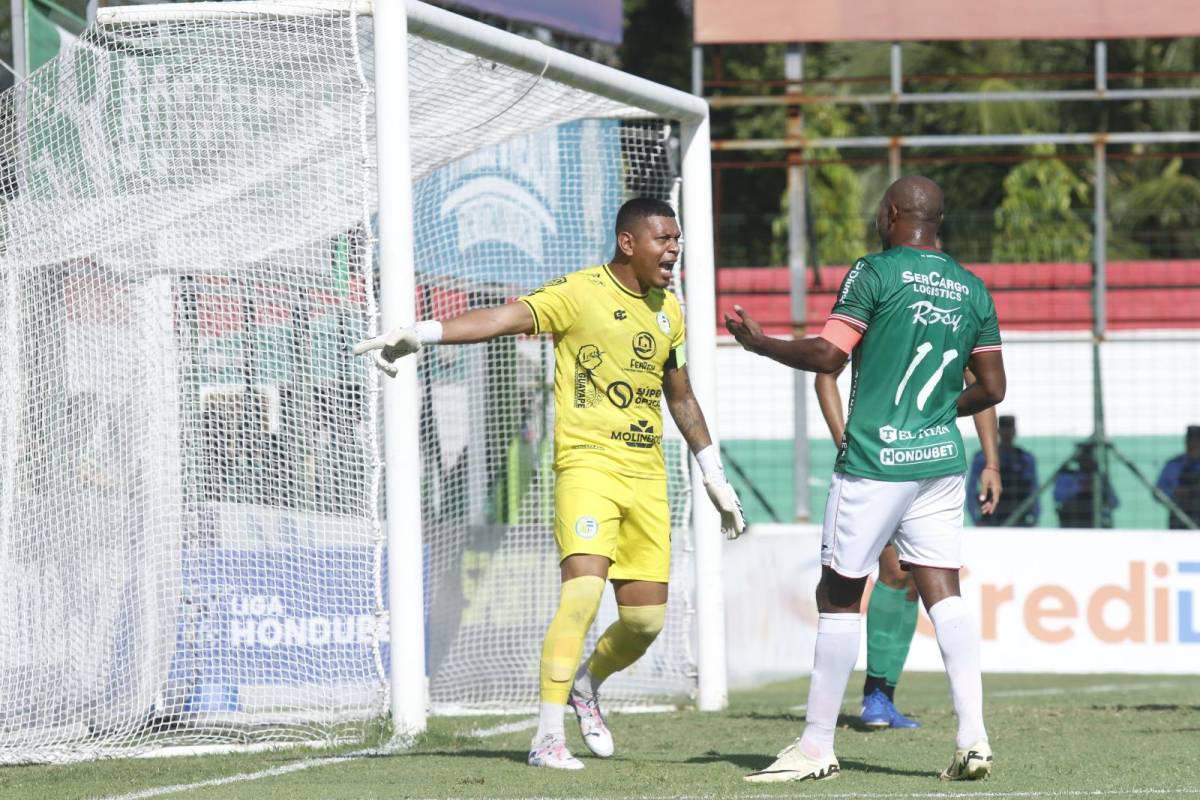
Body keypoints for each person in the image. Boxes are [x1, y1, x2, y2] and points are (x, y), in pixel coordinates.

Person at [354, 197, 745, 770]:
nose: (673, 249)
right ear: (628, 242)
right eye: (662, 238)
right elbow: (504, 318)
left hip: (647, 476)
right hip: (587, 466)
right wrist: (423, 332)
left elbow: (680, 395)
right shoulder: (580, 292)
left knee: (644, 622)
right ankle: (546, 737)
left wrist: (712, 472)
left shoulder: (670, 311)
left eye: (676, 240)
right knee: (583, 593)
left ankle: (589, 684)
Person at [726, 175, 1005, 783]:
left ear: (892, 212)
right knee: (943, 590)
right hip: (939, 463)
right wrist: (935, 415)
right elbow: (992, 389)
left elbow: (829, 358)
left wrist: (762, 344)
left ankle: (816, 747)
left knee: (839, 594)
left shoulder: (874, 272)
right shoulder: (972, 288)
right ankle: (974, 739)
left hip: (877, 462)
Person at [815, 365, 1000, 730]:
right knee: (882, 573)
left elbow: (983, 385)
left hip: (930, 466)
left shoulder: (949, 315)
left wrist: (991, 461)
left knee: (910, 576)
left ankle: (881, 696)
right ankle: (849, 710)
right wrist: (848, 446)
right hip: (878, 464)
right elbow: (825, 373)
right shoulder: (880, 310)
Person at [967, 415, 1039, 526]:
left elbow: (1034, 489)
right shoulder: (982, 457)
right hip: (990, 519)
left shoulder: (1025, 459)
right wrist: (975, 519)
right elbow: (971, 489)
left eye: (1009, 428)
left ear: (1014, 431)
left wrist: (1035, 517)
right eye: (1004, 428)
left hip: (1019, 520)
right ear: (998, 431)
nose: (1007, 432)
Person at [1053, 441, 1118, 528]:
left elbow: (1114, 502)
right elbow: (1058, 497)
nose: (1087, 461)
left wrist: (1100, 491)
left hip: (1096, 523)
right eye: (1085, 457)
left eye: (1090, 457)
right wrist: (1080, 487)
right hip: (1072, 523)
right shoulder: (1068, 476)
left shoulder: (1100, 478)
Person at [1155, 425, 1200, 529]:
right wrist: (1173, 493)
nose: (1192, 444)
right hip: (1179, 520)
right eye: (1190, 440)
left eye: (1196, 440)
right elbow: (1158, 492)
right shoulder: (1174, 464)